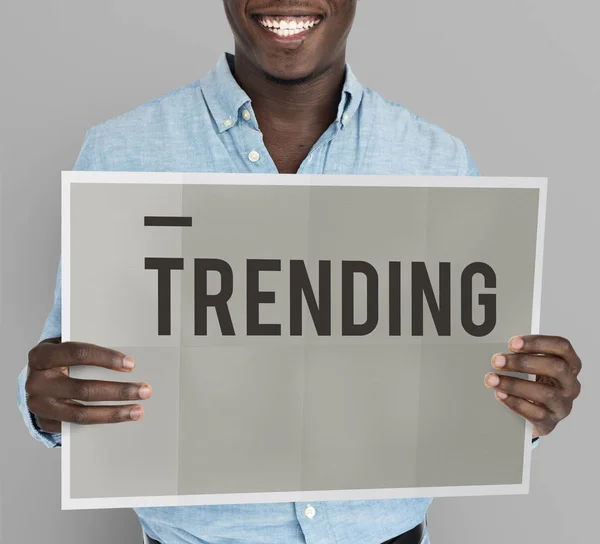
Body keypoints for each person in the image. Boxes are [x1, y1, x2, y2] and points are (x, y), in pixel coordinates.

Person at [18, 1, 582, 543]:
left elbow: (464, 384)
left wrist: (524, 411)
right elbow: (71, 374)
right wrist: (45, 406)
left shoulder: (438, 162)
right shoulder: (119, 153)